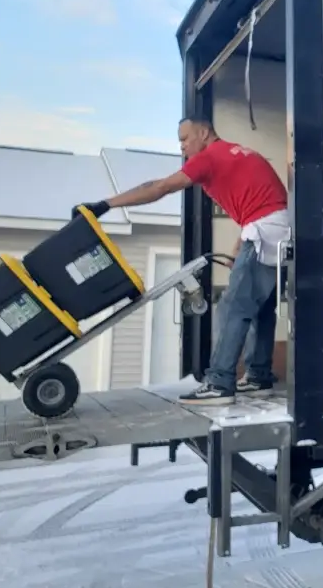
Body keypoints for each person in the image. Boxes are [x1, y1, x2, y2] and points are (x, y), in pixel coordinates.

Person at [73, 118, 289, 405]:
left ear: (204, 133)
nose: (182, 147)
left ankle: (219, 383)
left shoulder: (209, 157)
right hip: (280, 233)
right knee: (261, 309)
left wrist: (105, 205)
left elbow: (159, 187)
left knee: (232, 308)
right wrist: (239, 246)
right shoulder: (242, 153)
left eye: (185, 139)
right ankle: (258, 376)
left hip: (264, 233)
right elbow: (265, 203)